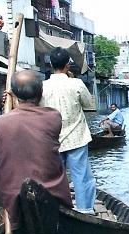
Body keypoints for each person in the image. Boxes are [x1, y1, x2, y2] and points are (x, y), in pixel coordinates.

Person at [0, 70, 72, 228]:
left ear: (15, 94)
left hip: (14, 199)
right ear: (41, 92)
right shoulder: (54, 117)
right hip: (54, 196)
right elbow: (31, 117)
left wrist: (2, 184)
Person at [39, 47, 98, 214]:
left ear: (51, 64)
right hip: (76, 138)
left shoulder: (42, 87)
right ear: (67, 65)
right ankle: (85, 209)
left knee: (55, 178)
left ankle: (55, 210)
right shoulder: (76, 83)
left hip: (52, 140)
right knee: (82, 177)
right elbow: (88, 105)